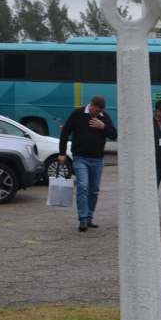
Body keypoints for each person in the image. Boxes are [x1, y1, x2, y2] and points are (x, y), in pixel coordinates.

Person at [58, 94, 117, 232]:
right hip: (80, 158)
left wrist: (103, 127)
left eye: (100, 112)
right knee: (83, 187)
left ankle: (89, 217)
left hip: (97, 159)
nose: (98, 114)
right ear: (91, 105)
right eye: (96, 111)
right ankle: (83, 219)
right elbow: (65, 132)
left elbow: (114, 135)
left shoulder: (104, 117)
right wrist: (62, 152)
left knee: (94, 190)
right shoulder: (77, 114)